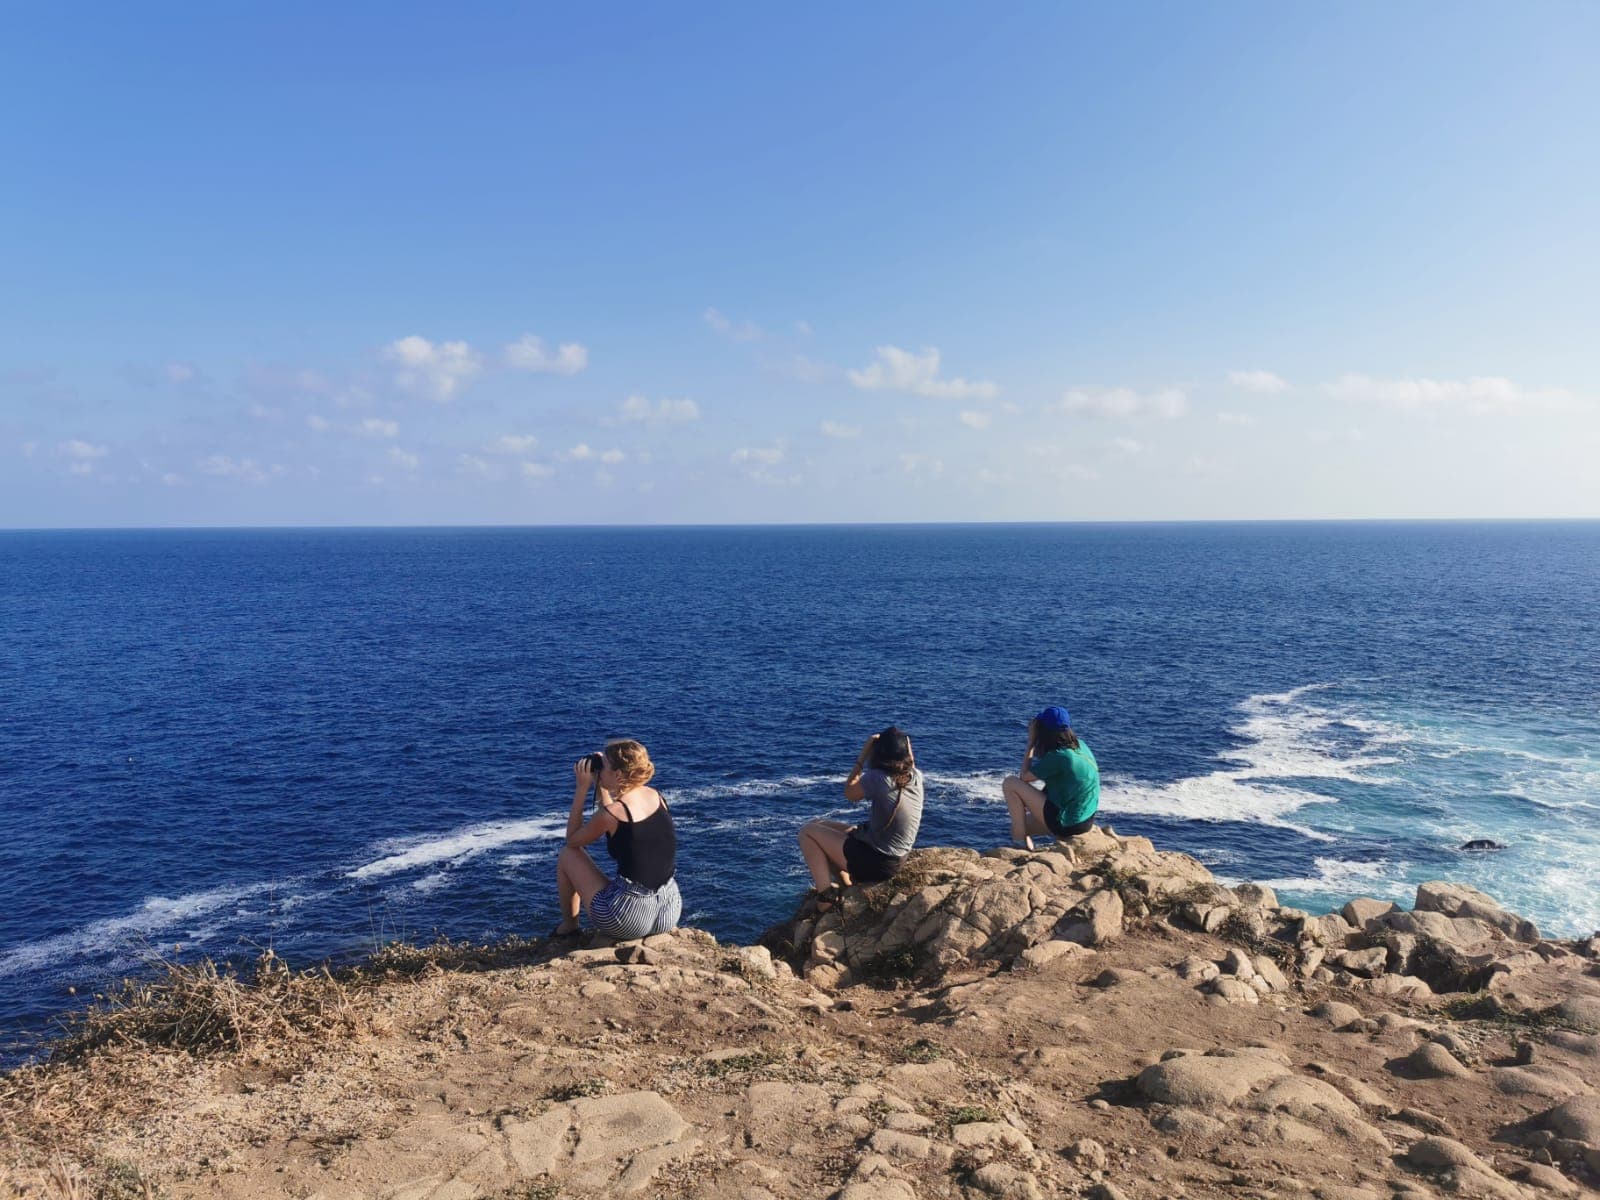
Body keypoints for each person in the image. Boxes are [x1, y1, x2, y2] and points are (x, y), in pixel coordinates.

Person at [552, 739, 681, 940]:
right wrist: (603, 784)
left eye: (604, 766)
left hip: (628, 919)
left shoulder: (611, 815)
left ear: (618, 774)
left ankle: (570, 926)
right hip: (668, 909)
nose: (600, 769)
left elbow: (573, 840)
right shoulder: (656, 797)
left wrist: (582, 788)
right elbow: (616, 812)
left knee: (567, 854)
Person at [797, 727, 924, 904]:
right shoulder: (915, 776)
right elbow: (910, 759)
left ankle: (826, 898)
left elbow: (849, 793)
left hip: (877, 864)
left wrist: (862, 757)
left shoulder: (879, 778)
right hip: (895, 859)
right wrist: (903, 741)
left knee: (807, 832)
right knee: (819, 824)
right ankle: (847, 885)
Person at [1002, 705, 1099, 850]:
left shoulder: (1060, 757)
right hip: (1084, 820)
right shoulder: (1081, 746)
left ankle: (1018, 847)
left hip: (1067, 823)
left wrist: (1031, 744)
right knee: (1021, 825)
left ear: (1044, 732)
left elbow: (1024, 777)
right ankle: (1026, 849)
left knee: (1010, 783)